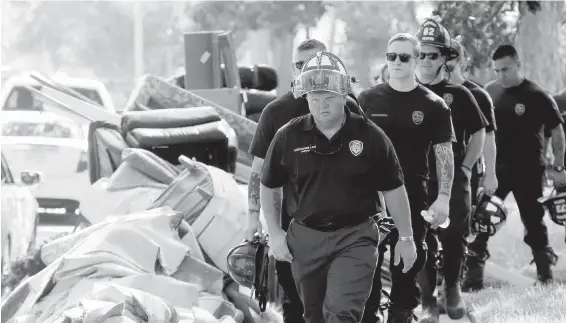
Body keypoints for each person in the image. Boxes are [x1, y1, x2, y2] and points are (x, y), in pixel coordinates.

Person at [260, 51, 417, 323]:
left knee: (342, 312)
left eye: (329, 98)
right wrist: (274, 233)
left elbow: (394, 188)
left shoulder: (370, 135)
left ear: (344, 95)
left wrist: (406, 238)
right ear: (305, 98)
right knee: (314, 315)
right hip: (305, 239)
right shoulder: (287, 135)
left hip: (356, 236)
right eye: (315, 98)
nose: (322, 106)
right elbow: (270, 186)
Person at [246, 39, 359, 323]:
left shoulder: (349, 106)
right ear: (294, 69)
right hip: (293, 227)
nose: (308, 71)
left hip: (344, 225)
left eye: (315, 63)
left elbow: (367, 163)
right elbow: (259, 171)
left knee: (340, 304)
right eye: (300, 65)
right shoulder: (275, 112)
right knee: (295, 304)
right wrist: (254, 219)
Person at [359, 32, 456, 323]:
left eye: (404, 57)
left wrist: (445, 197)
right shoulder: (366, 99)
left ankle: (401, 316)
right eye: (391, 56)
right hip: (369, 198)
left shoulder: (434, 104)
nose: (397, 62)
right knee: (368, 264)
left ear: (415, 60)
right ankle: (368, 317)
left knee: (407, 266)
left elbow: (444, 153)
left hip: (414, 194)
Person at [463, 45, 566, 292]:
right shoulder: (489, 92)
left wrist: (559, 164)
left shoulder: (536, 95)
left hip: (530, 171)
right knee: (481, 220)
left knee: (534, 222)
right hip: (496, 171)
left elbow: (557, 130)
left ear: (518, 65)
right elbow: (478, 129)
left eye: (505, 69)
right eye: (496, 70)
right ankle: (473, 279)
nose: (500, 74)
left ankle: (545, 274)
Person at [415, 20, 489, 322]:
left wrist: (468, 167)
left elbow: (479, 132)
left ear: (445, 58)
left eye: (433, 55)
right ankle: (428, 300)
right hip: (417, 177)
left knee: (456, 231)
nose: (426, 60)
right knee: (422, 238)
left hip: (454, 175)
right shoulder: (406, 92)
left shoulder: (459, 94)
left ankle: (453, 288)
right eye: (421, 54)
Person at [445, 39, 498, 202]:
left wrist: (490, 174)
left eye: (450, 61)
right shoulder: (429, 91)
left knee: (463, 222)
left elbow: (488, 137)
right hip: (433, 171)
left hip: (466, 169)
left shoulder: (478, 95)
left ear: (461, 62)